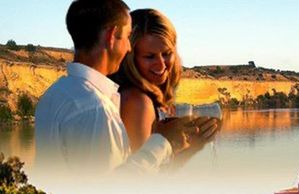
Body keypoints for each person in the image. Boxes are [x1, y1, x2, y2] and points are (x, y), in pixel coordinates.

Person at [34, 0, 217, 175]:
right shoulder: (96, 108)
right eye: (128, 37)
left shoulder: (56, 93)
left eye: (167, 54)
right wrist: (166, 142)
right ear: (111, 36)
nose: (129, 48)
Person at [109, 8, 219, 161]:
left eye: (167, 54)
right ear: (130, 59)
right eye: (149, 57)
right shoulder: (137, 102)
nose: (161, 65)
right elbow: (140, 178)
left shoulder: (143, 98)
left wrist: (188, 146)